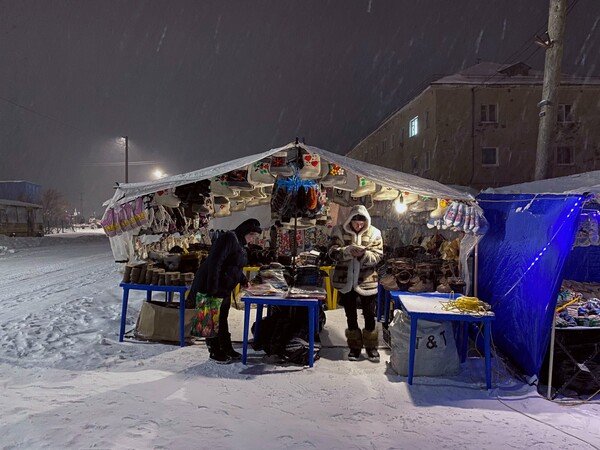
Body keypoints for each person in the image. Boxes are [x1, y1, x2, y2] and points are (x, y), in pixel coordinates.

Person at [187, 218, 262, 363]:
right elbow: (216, 262)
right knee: (209, 319)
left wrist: (243, 280)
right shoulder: (229, 238)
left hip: (224, 286)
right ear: (245, 232)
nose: (253, 240)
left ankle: (226, 347)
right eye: (252, 235)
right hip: (211, 284)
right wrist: (212, 288)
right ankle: (214, 351)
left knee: (222, 318)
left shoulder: (239, 244)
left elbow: (233, 266)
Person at [328, 204, 383, 361]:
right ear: (350, 220)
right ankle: (354, 347)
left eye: (361, 223)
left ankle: (371, 346)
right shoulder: (338, 231)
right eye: (355, 222)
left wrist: (363, 255)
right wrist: (346, 251)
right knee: (350, 315)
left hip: (367, 282)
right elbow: (331, 252)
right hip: (345, 281)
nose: (359, 225)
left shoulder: (375, 233)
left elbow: (378, 256)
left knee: (369, 314)